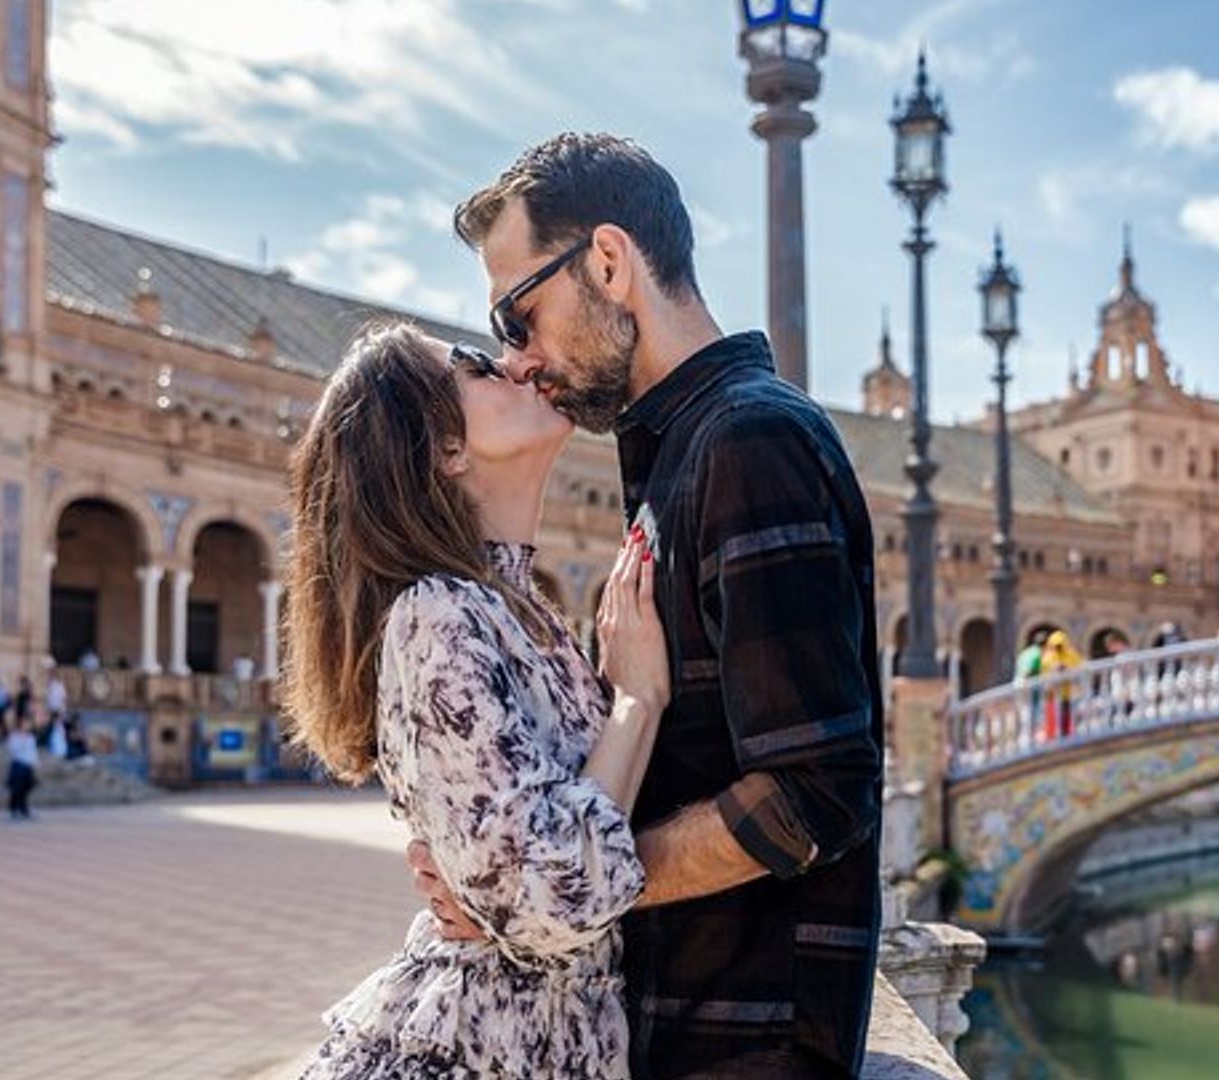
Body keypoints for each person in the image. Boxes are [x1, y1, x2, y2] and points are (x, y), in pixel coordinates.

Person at [420, 133, 885, 1079]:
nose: (518, 359)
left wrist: (562, 885)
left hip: (749, 1040)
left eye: (521, 316)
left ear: (607, 261)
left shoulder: (749, 442)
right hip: (691, 1018)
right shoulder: (680, 457)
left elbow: (815, 793)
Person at [282, 321, 666, 1079]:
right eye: (477, 366)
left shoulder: (515, 609)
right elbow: (547, 897)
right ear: (444, 450)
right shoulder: (439, 612)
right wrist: (638, 701)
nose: (521, 366)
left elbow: (532, 863)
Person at [1036, 631, 1085, 739]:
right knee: (1054, 719)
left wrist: (1067, 670)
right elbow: (1044, 675)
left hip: (1070, 694)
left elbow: (1080, 668)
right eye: (1055, 646)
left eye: (1059, 645)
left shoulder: (1071, 654)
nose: (1058, 648)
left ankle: (1069, 736)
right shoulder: (1048, 657)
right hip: (1053, 695)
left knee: (1070, 719)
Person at [6, 717, 39, 821]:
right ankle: (14, 809)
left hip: (28, 765)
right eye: (25, 724)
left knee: (26, 789)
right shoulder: (14, 737)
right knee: (16, 789)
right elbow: (13, 750)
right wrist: (22, 742)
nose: (27, 726)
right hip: (18, 764)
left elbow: (33, 751)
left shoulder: (31, 737)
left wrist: (35, 762)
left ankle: (24, 808)